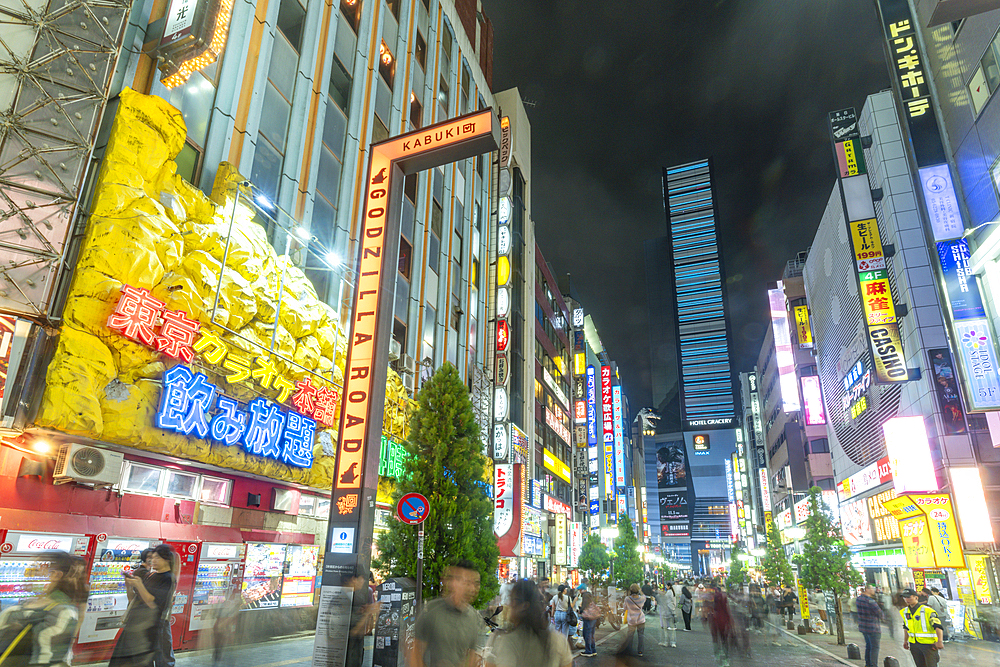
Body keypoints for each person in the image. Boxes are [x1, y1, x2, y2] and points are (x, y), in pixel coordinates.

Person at [0, 551, 88, 667]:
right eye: (27, 570)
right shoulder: (20, 607)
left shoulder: (62, 613)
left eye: (35, 570)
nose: (27, 575)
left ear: (56, 575)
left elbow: (47, 659)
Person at [110, 543, 178, 667]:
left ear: (167, 559)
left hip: (149, 628)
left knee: (147, 660)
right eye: (152, 558)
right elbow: (133, 599)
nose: (153, 560)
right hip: (136, 625)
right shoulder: (151, 575)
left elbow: (153, 603)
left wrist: (139, 584)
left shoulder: (167, 578)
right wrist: (129, 586)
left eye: (157, 557)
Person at [411, 560, 482, 667]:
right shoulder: (432, 611)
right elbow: (415, 652)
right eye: (467, 583)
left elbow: (471, 654)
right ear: (454, 582)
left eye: (476, 584)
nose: (472, 589)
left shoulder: (473, 617)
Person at [486, 579, 572, 667]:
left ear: (524, 606)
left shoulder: (505, 642)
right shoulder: (557, 640)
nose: (509, 604)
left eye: (512, 600)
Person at [899, 589, 944, 667]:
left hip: (928, 645)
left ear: (916, 597)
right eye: (904, 597)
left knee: (931, 665)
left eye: (909, 597)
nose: (906, 600)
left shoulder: (928, 611)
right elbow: (906, 627)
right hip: (914, 644)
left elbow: (938, 626)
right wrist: (905, 641)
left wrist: (939, 641)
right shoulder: (905, 612)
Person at [707, 581, 733, 667]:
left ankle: (717, 655)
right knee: (724, 640)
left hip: (714, 621)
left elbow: (707, 609)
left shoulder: (710, 596)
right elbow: (727, 609)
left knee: (715, 639)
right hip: (723, 621)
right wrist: (730, 621)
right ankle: (725, 659)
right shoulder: (722, 597)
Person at [857, 585, 883, 667]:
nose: (874, 590)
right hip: (873, 627)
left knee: (868, 646)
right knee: (875, 647)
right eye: (872, 589)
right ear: (867, 589)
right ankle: (873, 665)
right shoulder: (870, 601)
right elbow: (879, 613)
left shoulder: (859, 599)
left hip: (863, 627)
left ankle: (868, 664)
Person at [617, 584, 647, 656]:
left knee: (630, 636)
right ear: (638, 590)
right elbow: (644, 596)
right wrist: (640, 590)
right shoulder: (642, 598)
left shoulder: (627, 599)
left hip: (632, 620)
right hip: (641, 619)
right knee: (641, 635)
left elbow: (625, 608)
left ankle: (629, 651)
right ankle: (640, 652)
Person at [578, 589, 600, 657]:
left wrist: (580, 608)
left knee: (587, 635)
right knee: (592, 635)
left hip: (588, 620)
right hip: (593, 620)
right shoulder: (592, 603)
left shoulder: (586, 604)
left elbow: (580, 611)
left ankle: (588, 651)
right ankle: (593, 650)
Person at [657, 582, 677, 648]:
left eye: (666, 586)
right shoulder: (672, 592)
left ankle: (667, 642)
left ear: (668, 586)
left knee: (665, 628)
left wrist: (659, 592)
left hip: (667, 612)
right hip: (671, 612)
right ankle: (672, 642)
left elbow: (663, 597)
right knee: (672, 628)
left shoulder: (669, 592)